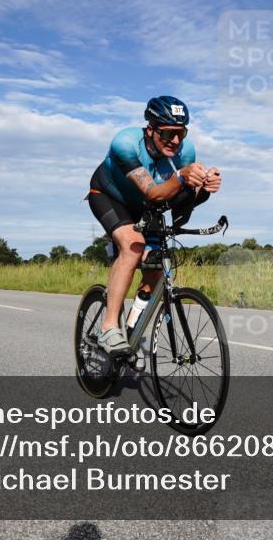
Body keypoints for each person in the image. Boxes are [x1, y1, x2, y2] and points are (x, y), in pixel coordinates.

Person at [87, 96, 222, 357]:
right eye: (168, 133)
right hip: (109, 196)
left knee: (157, 268)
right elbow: (153, 193)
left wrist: (203, 191)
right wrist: (181, 177)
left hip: (146, 208)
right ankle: (108, 328)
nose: (175, 141)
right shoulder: (125, 144)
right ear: (150, 129)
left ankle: (130, 333)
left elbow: (181, 207)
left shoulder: (185, 152)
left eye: (180, 133)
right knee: (132, 247)